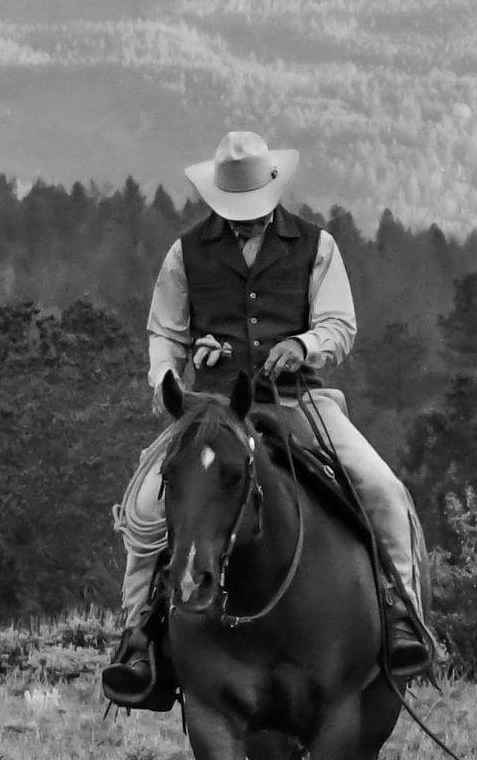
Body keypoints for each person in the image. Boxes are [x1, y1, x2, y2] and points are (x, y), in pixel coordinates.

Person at [101, 130, 433, 710]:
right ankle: (137, 640)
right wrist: (171, 379)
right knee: (148, 510)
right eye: (235, 215)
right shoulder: (185, 254)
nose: (244, 224)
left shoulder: (316, 245)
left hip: (301, 403)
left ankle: (401, 613)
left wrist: (304, 346)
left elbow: (340, 326)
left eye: (251, 215)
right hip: (211, 414)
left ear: (273, 190)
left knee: (382, 489)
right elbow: (164, 334)